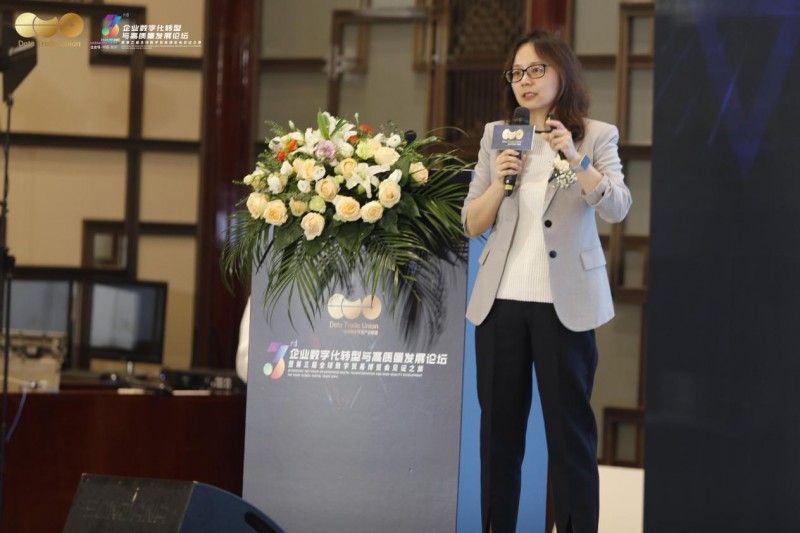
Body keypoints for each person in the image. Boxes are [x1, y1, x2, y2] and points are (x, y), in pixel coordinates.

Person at [462, 29, 632, 533]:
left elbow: (618, 206)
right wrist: (500, 181)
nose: (525, 81)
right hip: (500, 304)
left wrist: (576, 161)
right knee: (499, 438)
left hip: (565, 305)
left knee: (569, 435)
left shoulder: (595, 135)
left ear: (563, 73)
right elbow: (471, 222)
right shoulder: (498, 136)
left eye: (537, 70)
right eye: (517, 73)